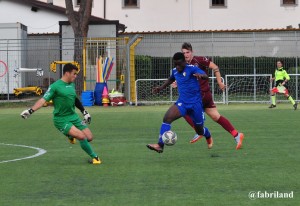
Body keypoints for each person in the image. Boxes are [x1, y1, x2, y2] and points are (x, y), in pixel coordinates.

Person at [20, 63, 101, 164]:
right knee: (81, 136)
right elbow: (43, 100)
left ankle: (70, 136)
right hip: (61, 120)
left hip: (73, 117)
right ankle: (95, 158)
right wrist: (30, 111)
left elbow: (74, 99)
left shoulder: (71, 84)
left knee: (89, 137)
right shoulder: (55, 86)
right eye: (74, 74)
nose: (75, 76)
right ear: (67, 73)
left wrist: (84, 112)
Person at [180, 42, 244, 150]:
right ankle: (237, 135)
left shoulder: (199, 60)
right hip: (203, 96)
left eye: (188, 52)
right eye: (184, 53)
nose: (186, 55)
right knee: (216, 117)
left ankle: (199, 131)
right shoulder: (183, 66)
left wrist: (219, 82)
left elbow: (215, 67)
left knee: (183, 109)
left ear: (192, 52)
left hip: (202, 95)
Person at [146, 52, 212, 153]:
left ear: (184, 62)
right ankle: (160, 145)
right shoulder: (175, 71)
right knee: (167, 118)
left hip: (195, 105)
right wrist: (160, 88)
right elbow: (171, 79)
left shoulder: (191, 68)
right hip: (182, 103)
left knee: (199, 130)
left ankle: (207, 134)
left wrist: (202, 76)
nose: (177, 67)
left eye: (179, 64)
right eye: (175, 64)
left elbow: (205, 75)